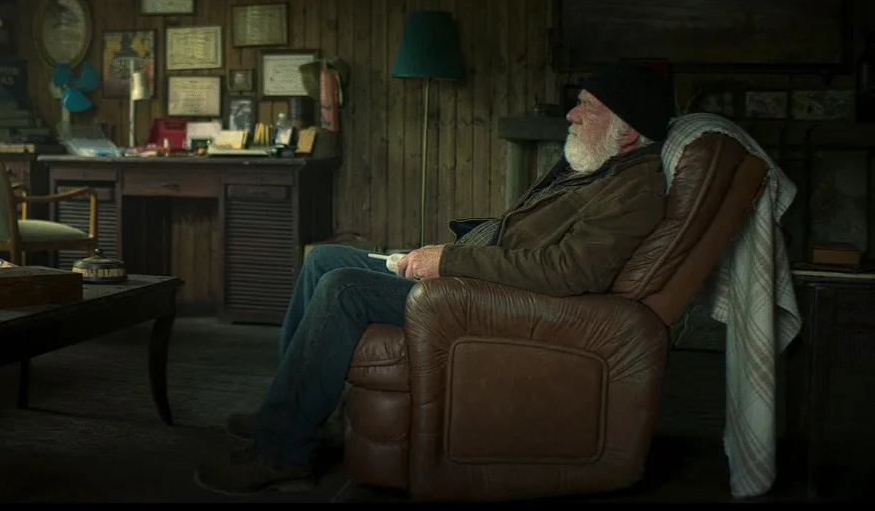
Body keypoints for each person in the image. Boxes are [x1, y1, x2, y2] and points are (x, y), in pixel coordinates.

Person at [193, 62, 677, 495]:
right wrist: (451, 253)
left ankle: (282, 453)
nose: (571, 115)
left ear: (627, 131)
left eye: (587, 107)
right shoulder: (598, 167)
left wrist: (448, 262)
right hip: (479, 276)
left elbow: (569, 271)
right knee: (324, 259)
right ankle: (283, 413)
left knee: (344, 287)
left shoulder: (633, 191)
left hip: (491, 301)